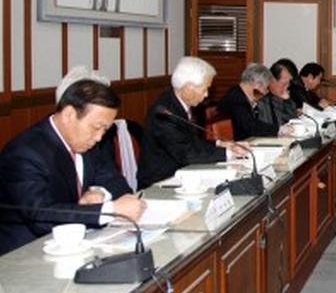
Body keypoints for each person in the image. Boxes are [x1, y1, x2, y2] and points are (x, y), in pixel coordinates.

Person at [0, 80, 146, 256]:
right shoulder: (25, 152)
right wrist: (110, 210)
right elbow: (40, 215)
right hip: (27, 253)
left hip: (79, 243)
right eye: (96, 127)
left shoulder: (88, 142)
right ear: (69, 114)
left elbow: (115, 182)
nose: (99, 137)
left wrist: (100, 192)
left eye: (105, 130)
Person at [137, 57, 251, 189]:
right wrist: (229, 153)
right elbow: (186, 154)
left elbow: (191, 141)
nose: (207, 95)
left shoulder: (181, 103)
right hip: (159, 184)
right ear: (188, 88)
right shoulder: (164, 113)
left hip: (181, 175)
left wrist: (221, 144)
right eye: (205, 89)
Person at [219, 63, 289, 140]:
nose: (265, 93)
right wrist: (279, 130)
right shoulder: (236, 99)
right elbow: (250, 126)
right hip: (238, 142)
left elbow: (255, 123)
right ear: (256, 84)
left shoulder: (241, 94)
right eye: (265, 88)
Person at [256, 60, 300, 128]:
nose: (286, 88)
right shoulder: (260, 98)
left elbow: (294, 123)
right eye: (284, 84)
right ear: (272, 80)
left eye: (289, 83)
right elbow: (272, 127)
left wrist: (288, 102)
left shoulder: (285, 97)